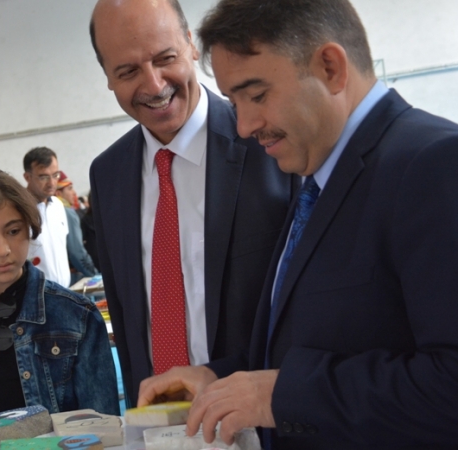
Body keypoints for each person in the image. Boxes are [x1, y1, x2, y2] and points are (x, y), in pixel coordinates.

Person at [137, 0, 458, 448]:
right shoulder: (318, 176)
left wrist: (280, 396)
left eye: (257, 95)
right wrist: (221, 378)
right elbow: (323, 342)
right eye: (234, 102)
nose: (244, 126)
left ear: (330, 68)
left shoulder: (434, 165)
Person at [87, 0, 294, 407]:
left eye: (165, 59)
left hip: (263, 419)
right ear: (108, 77)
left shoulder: (269, 145)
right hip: (158, 422)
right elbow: (128, 322)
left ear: (191, 44)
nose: (153, 85)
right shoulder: (108, 174)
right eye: (127, 71)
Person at [0, 170, 119, 418]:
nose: (2, 250)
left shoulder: (77, 315)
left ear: (29, 227)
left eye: (13, 231)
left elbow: (101, 422)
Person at [22, 147, 71, 287]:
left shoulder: (58, 206)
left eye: (55, 175)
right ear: (27, 177)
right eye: (43, 177)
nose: (52, 183)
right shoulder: (19, 210)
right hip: (35, 293)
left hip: (64, 290)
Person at [55, 172, 98, 285]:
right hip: (74, 276)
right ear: (58, 193)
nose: (74, 192)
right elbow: (77, 252)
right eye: (69, 189)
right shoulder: (67, 213)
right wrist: (94, 274)